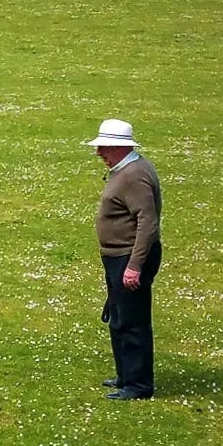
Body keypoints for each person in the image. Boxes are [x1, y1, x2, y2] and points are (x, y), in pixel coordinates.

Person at [87, 118, 161, 400]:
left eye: (103, 147)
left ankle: (138, 385)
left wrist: (134, 267)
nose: (99, 153)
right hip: (118, 256)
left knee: (133, 320)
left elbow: (148, 222)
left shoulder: (134, 175)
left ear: (118, 147)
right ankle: (125, 375)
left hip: (128, 257)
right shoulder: (127, 170)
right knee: (119, 316)